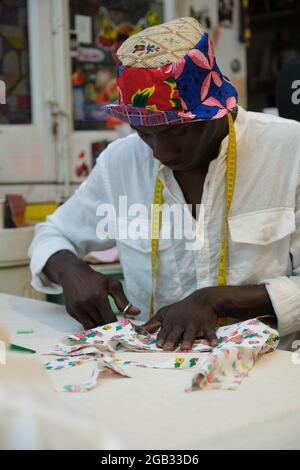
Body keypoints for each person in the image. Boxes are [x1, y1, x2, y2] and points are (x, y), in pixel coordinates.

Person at [29, 17, 300, 351]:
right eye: (144, 133)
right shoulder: (120, 163)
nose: (161, 152)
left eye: (176, 131)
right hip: (157, 378)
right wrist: (69, 269)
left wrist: (218, 301)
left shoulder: (290, 149)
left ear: (215, 109)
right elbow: (52, 233)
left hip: (272, 374)